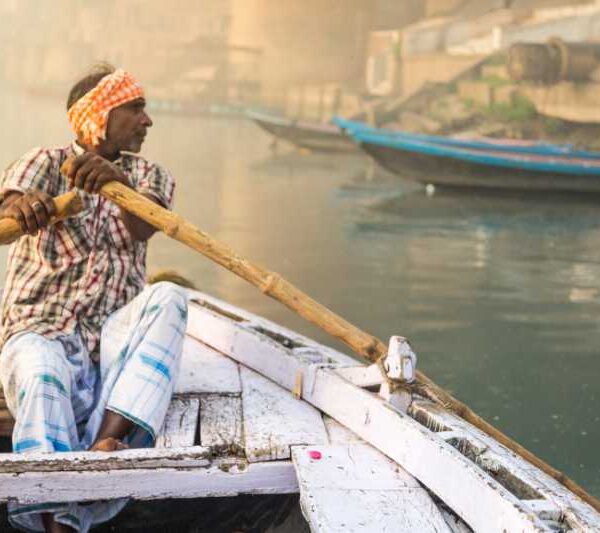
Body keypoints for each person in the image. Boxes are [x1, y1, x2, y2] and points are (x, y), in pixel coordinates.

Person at [0, 64, 188, 533]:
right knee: (41, 369)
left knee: (168, 295)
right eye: (136, 109)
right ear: (100, 114)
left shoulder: (149, 175)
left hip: (109, 344)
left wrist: (115, 184)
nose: (147, 121)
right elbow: (5, 209)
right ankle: (59, 519)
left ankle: (108, 441)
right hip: (37, 329)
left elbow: (144, 227)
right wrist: (18, 207)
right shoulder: (44, 161)